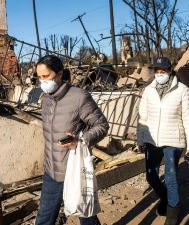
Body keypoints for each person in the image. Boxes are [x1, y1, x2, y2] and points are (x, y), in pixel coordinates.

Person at [35, 55, 109, 225]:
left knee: (86, 216)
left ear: (59, 74)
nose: (41, 81)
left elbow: (101, 125)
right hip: (52, 169)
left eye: (45, 76)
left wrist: (81, 141)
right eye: (39, 77)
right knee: (44, 218)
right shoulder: (45, 99)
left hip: (74, 169)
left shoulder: (79, 97)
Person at [136, 57, 189, 225]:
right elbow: (142, 117)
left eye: (162, 71)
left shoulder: (182, 90)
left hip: (173, 139)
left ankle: (172, 216)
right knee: (151, 176)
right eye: (156, 71)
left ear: (170, 71)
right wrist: (140, 139)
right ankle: (164, 197)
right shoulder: (148, 90)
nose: (159, 74)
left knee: (170, 177)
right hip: (151, 140)